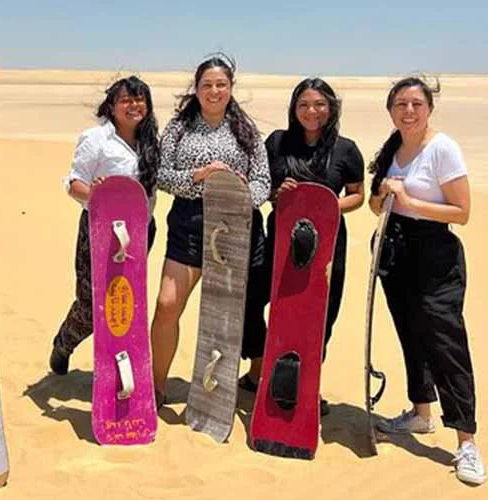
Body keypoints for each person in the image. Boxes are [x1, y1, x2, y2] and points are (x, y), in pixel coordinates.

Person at [367, 76, 487, 485]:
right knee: (410, 333)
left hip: (435, 254)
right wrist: (384, 196)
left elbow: (462, 212)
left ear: (429, 108)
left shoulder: (442, 148)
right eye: (401, 104)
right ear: (391, 111)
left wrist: (411, 201)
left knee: (445, 340)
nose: (409, 111)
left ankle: (466, 441)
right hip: (395, 250)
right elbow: (374, 204)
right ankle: (420, 413)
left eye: (416, 103)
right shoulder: (392, 149)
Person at [149, 55, 271, 407]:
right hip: (189, 224)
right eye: (207, 85)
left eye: (221, 84)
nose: (214, 91)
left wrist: (243, 195)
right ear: (197, 88)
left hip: (235, 228)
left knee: (228, 317)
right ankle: (157, 386)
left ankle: (218, 394)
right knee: (167, 304)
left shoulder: (246, 130)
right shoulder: (179, 127)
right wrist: (197, 176)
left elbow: (263, 179)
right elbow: (160, 173)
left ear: (231, 88)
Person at [244, 77, 365, 416]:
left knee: (319, 317)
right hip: (280, 242)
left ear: (331, 108)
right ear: (293, 109)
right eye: (303, 105)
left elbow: (357, 194)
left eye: (319, 105)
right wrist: (276, 194)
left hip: (326, 247)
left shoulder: (345, 149)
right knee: (251, 300)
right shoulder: (278, 143)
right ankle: (259, 368)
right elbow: (263, 186)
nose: (311, 111)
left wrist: (326, 206)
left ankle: (307, 383)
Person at [49, 76, 161, 374]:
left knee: (123, 301)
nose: (134, 105)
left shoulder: (151, 142)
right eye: (126, 99)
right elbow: (74, 184)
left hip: (140, 232)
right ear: (112, 106)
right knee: (90, 303)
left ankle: (116, 370)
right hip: (99, 232)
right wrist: (95, 194)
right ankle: (64, 342)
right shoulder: (95, 139)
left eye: (140, 99)